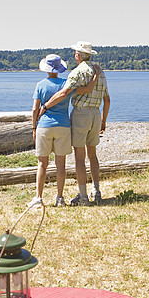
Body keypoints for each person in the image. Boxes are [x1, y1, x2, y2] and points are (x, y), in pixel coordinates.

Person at [39, 41, 110, 205]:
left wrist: (46, 106)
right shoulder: (100, 71)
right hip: (95, 113)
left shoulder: (78, 72)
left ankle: (83, 196)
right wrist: (103, 120)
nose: (74, 55)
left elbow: (64, 92)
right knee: (93, 155)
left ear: (78, 55)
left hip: (81, 114)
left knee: (79, 157)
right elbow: (107, 99)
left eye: (75, 53)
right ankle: (97, 190)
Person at [30, 53, 99, 207]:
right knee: (60, 164)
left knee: (42, 163)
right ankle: (59, 198)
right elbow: (88, 89)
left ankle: (38, 198)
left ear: (46, 69)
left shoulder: (40, 85)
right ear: (59, 68)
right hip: (63, 125)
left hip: (45, 126)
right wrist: (96, 76)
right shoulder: (66, 83)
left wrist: (34, 127)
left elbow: (35, 108)